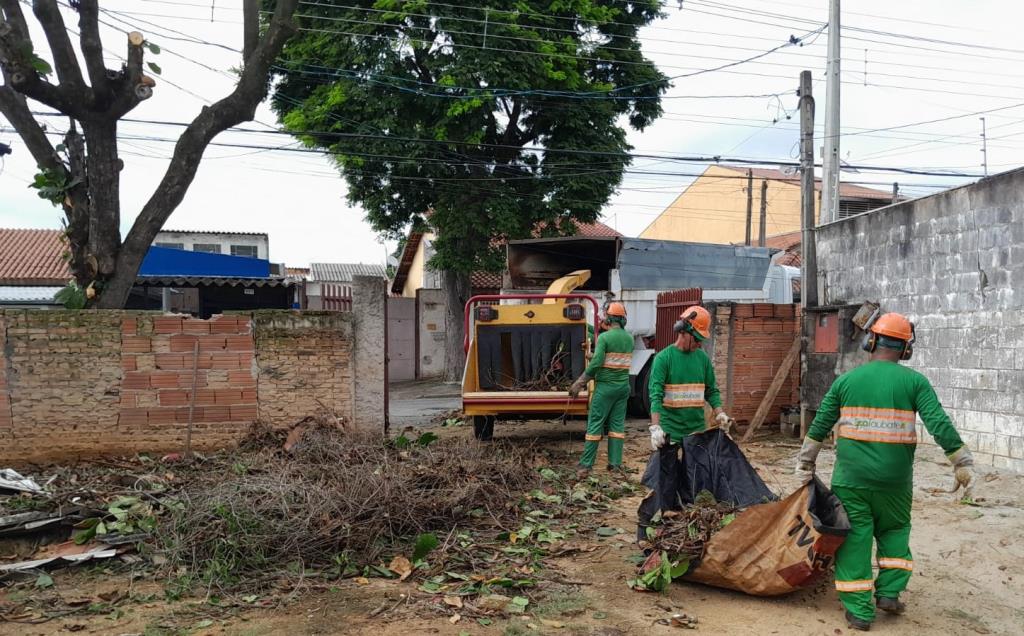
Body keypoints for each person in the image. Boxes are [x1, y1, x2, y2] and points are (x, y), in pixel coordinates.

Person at [794, 312, 976, 632]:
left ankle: (861, 612)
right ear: (905, 349)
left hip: (851, 481)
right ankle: (889, 593)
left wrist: (805, 463)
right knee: (895, 530)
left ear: (871, 341)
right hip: (895, 482)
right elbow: (938, 423)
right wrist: (960, 461)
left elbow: (820, 423)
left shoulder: (846, 381)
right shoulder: (915, 382)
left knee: (856, 539)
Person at [647, 306, 733, 509]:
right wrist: (655, 427)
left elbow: (711, 390)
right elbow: (655, 396)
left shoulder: (702, 359)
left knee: (696, 481)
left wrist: (719, 413)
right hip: (670, 431)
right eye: (697, 339)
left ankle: (689, 514)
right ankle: (667, 513)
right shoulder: (664, 359)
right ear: (683, 332)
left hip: (696, 430)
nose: (699, 344)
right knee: (667, 481)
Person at [569, 302, 632, 478]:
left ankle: (586, 466)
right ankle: (615, 464)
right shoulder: (629, 338)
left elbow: (597, 364)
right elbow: (613, 359)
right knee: (617, 427)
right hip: (622, 388)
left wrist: (579, 383)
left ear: (609, 318)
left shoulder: (604, 338)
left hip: (605, 388)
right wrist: (595, 354)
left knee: (595, 424)